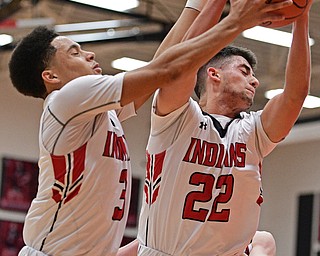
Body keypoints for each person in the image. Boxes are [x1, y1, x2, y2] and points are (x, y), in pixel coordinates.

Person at [8, 0, 294, 255]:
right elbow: (168, 71)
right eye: (75, 53)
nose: (90, 55)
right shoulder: (67, 99)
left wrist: (199, 5)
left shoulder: (96, 114)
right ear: (51, 75)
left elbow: (161, 63)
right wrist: (236, 21)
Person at [137, 0, 312, 255]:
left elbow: (296, 94)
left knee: (265, 241)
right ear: (213, 74)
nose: (255, 80)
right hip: (166, 252)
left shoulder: (253, 131)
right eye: (244, 71)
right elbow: (180, 65)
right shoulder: (177, 118)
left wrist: (301, 16)